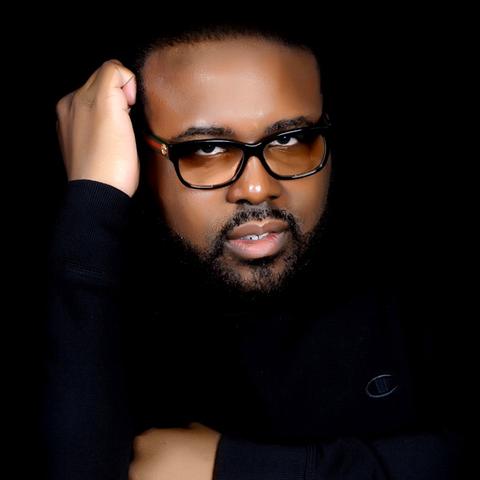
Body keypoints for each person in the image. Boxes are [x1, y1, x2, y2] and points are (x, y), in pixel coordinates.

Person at [44, 20, 463, 479]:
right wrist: (93, 201)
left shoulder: (411, 277)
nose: (258, 188)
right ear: (140, 153)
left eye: (289, 139)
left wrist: (239, 467)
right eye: (207, 148)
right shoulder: (102, 297)